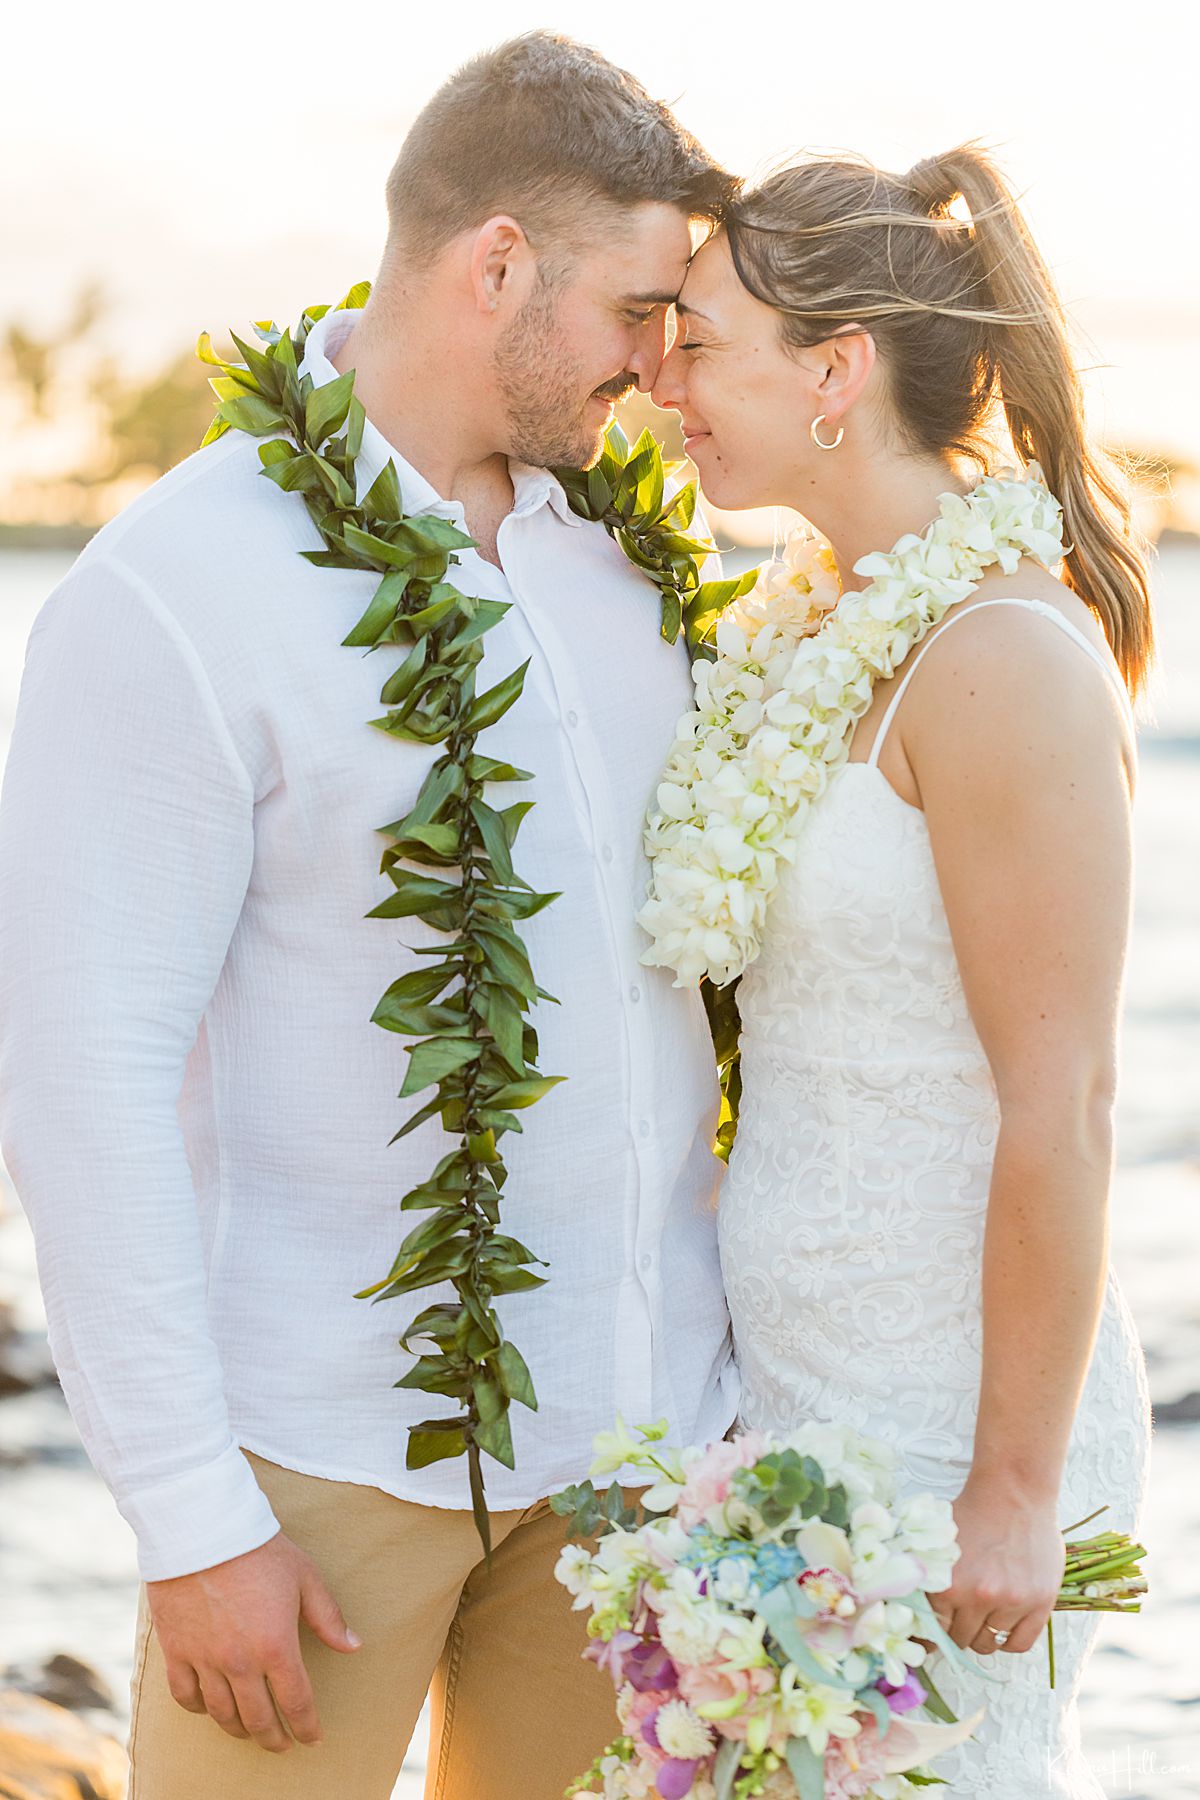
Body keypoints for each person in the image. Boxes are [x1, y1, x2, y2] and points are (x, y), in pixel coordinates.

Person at [0, 33, 741, 1800]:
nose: (660, 367)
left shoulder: (635, 575)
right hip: (313, 1479)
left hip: (636, 1464)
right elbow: (82, 1068)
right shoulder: (178, 590)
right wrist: (189, 1521)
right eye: (640, 311)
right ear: (497, 265)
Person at [648, 145, 1154, 1795]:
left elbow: (1064, 1104)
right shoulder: (810, 626)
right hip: (794, 1399)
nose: (663, 378)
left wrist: (1009, 1487)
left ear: (835, 371)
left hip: (954, 1436)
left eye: (703, 339)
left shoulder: (1000, 656)